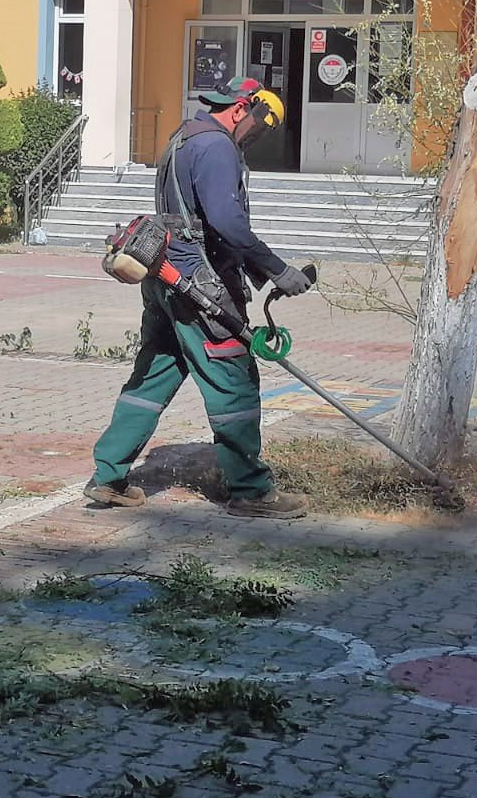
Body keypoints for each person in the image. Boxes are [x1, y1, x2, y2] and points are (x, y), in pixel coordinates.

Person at [86, 74, 313, 519]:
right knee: (234, 381)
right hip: (198, 285)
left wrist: (253, 269)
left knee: (154, 376)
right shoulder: (216, 147)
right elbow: (227, 224)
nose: (258, 134)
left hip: (165, 278)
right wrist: (277, 269)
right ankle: (250, 491)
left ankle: (108, 476)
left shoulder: (183, 138)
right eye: (261, 123)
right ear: (242, 108)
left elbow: (198, 220)